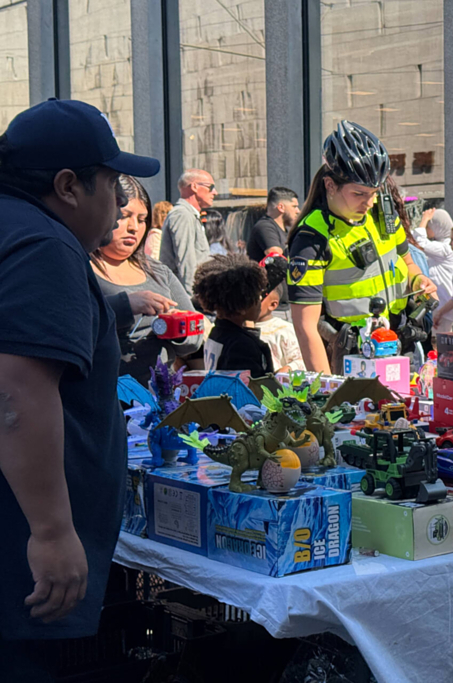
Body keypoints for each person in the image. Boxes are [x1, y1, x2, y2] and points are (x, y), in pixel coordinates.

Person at [0, 99, 159, 681]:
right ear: (68, 185)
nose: (122, 201)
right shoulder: (46, 245)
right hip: (22, 558)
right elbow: (15, 393)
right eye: (113, 183)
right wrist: (52, 532)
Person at [287, 121, 436, 373]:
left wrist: (419, 281)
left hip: (402, 344)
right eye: (359, 194)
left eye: (374, 192)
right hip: (354, 356)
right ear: (330, 185)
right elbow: (305, 327)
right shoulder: (312, 238)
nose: (369, 202)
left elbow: (407, 262)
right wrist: (328, 391)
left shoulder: (383, 215)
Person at [92, 176, 203, 382]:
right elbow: (72, 321)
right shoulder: (79, 268)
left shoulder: (159, 271)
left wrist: (177, 328)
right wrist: (126, 305)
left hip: (162, 396)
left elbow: (195, 336)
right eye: (124, 216)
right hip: (106, 397)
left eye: (142, 219)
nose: (134, 227)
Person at [195, 254, 274, 375]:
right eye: (257, 296)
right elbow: (256, 389)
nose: (260, 299)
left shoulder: (216, 334)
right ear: (242, 306)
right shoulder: (244, 347)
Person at [159, 168, 217, 296]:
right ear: (194, 187)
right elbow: (186, 262)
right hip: (187, 298)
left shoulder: (189, 215)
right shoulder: (182, 214)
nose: (215, 192)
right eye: (211, 187)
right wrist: (193, 299)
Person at [408, 208, 453, 334]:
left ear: (437, 227)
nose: (427, 229)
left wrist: (424, 219)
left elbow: (418, 242)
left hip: (444, 310)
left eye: (429, 225)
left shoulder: (445, 248)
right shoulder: (443, 245)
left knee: (442, 347)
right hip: (443, 307)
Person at [255, 282, 305, 373]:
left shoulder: (284, 330)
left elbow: (300, 361)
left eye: (257, 299)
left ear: (273, 305)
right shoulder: (237, 327)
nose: (250, 302)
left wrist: (285, 370)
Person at [247, 187, 299, 261]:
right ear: (281, 207)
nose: (298, 211)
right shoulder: (265, 227)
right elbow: (277, 261)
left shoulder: (285, 230)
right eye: (294, 206)